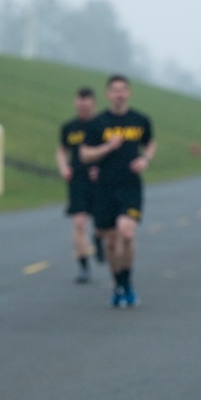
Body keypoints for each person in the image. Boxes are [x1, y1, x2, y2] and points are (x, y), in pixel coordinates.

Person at [79, 74, 156, 308]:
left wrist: (145, 159)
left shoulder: (140, 120)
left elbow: (150, 143)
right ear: (108, 94)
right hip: (104, 187)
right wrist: (107, 147)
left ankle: (128, 282)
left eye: (123, 90)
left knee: (127, 232)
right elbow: (84, 155)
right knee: (111, 241)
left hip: (130, 186)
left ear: (129, 93)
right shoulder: (98, 123)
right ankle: (118, 285)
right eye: (115, 90)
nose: (119, 94)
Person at [56, 86, 101, 283]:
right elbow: (62, 150)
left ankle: (99, 240)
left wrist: (100, 168)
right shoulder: (69, 127)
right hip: (78, 180)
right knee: (79, 222)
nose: (83, 109)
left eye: (86, 105)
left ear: (94, 104)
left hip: (100, 180)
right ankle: (84, 267)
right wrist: (63, 167)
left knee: (102, 224)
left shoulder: (102, 125)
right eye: (79, 105)